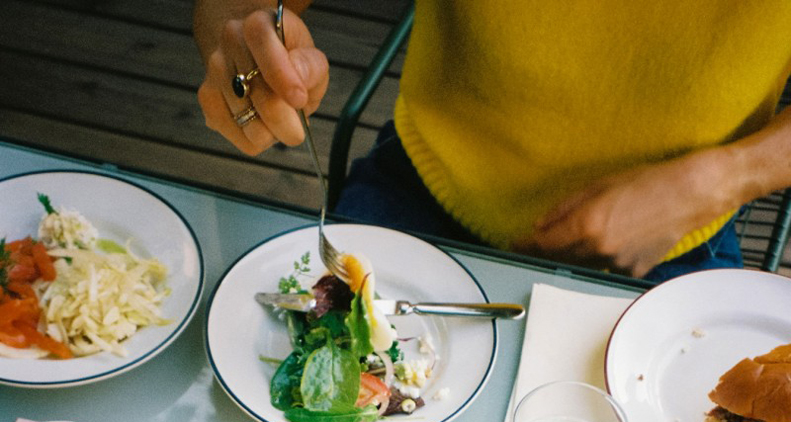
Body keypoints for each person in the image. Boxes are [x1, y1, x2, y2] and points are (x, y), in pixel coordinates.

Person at [193, 1, 791, 281]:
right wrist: (248, 45)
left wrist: (724, 179)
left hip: (679, 234)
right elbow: (239, 8)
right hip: (426, 186)